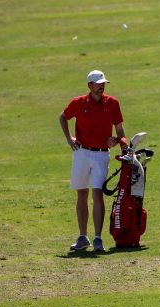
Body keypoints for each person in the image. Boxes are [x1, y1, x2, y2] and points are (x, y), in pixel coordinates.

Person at [59, 70, 128, 251]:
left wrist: (121, 145)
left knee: (98, 194)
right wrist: (69, 139)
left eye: (103, 83)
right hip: (81, 153)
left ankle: (98, 238)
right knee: (82, 194)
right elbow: (63, 117)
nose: (101, 86)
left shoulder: (112, 103)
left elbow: (120, 131)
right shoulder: (78, 103)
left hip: (101, 155)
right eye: (98, 84)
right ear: (89, 85)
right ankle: (83, 237)